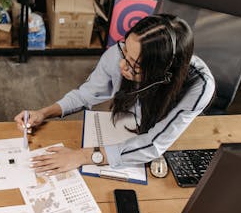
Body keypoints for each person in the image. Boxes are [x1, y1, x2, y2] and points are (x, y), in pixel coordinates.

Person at [15, 14, 215, 175]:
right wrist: (44, 112)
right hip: (125, 129)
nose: (121, 64)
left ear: (161, 74)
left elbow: (154, 144)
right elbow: (86, 94)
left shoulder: (199, 85)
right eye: (125, 50)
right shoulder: (121, 53)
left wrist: (82, 156)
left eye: (133, 65)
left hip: (162, 138)